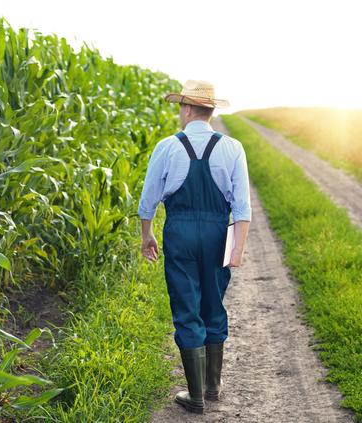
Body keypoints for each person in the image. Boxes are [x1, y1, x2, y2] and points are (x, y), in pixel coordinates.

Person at [138, 80, 251, 414]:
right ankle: (214, 386)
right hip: (218, 234)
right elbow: (242, 206)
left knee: (187, 307)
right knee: (213, 303)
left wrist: (147, 235)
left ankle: (196, 395)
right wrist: (238, 249)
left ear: (187, 109)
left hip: (181, 234)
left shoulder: (167, 147)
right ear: (211, 111)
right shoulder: (233, 148)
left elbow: (148, 201)